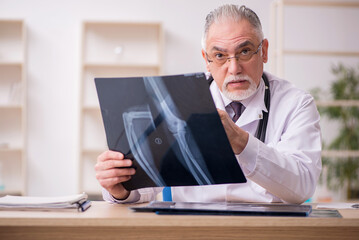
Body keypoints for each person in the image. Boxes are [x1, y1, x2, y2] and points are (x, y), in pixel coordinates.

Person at [95, 4, 322, 204]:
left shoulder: (296, 104)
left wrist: (241, 141)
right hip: (189, 229)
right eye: (220, 56)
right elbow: (145, 188)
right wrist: (120, 187)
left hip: (264, 230)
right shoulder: (174, 99)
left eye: (244, 51)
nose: (234, 69)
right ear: (206, 60)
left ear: (263, 51)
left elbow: (301, 186)